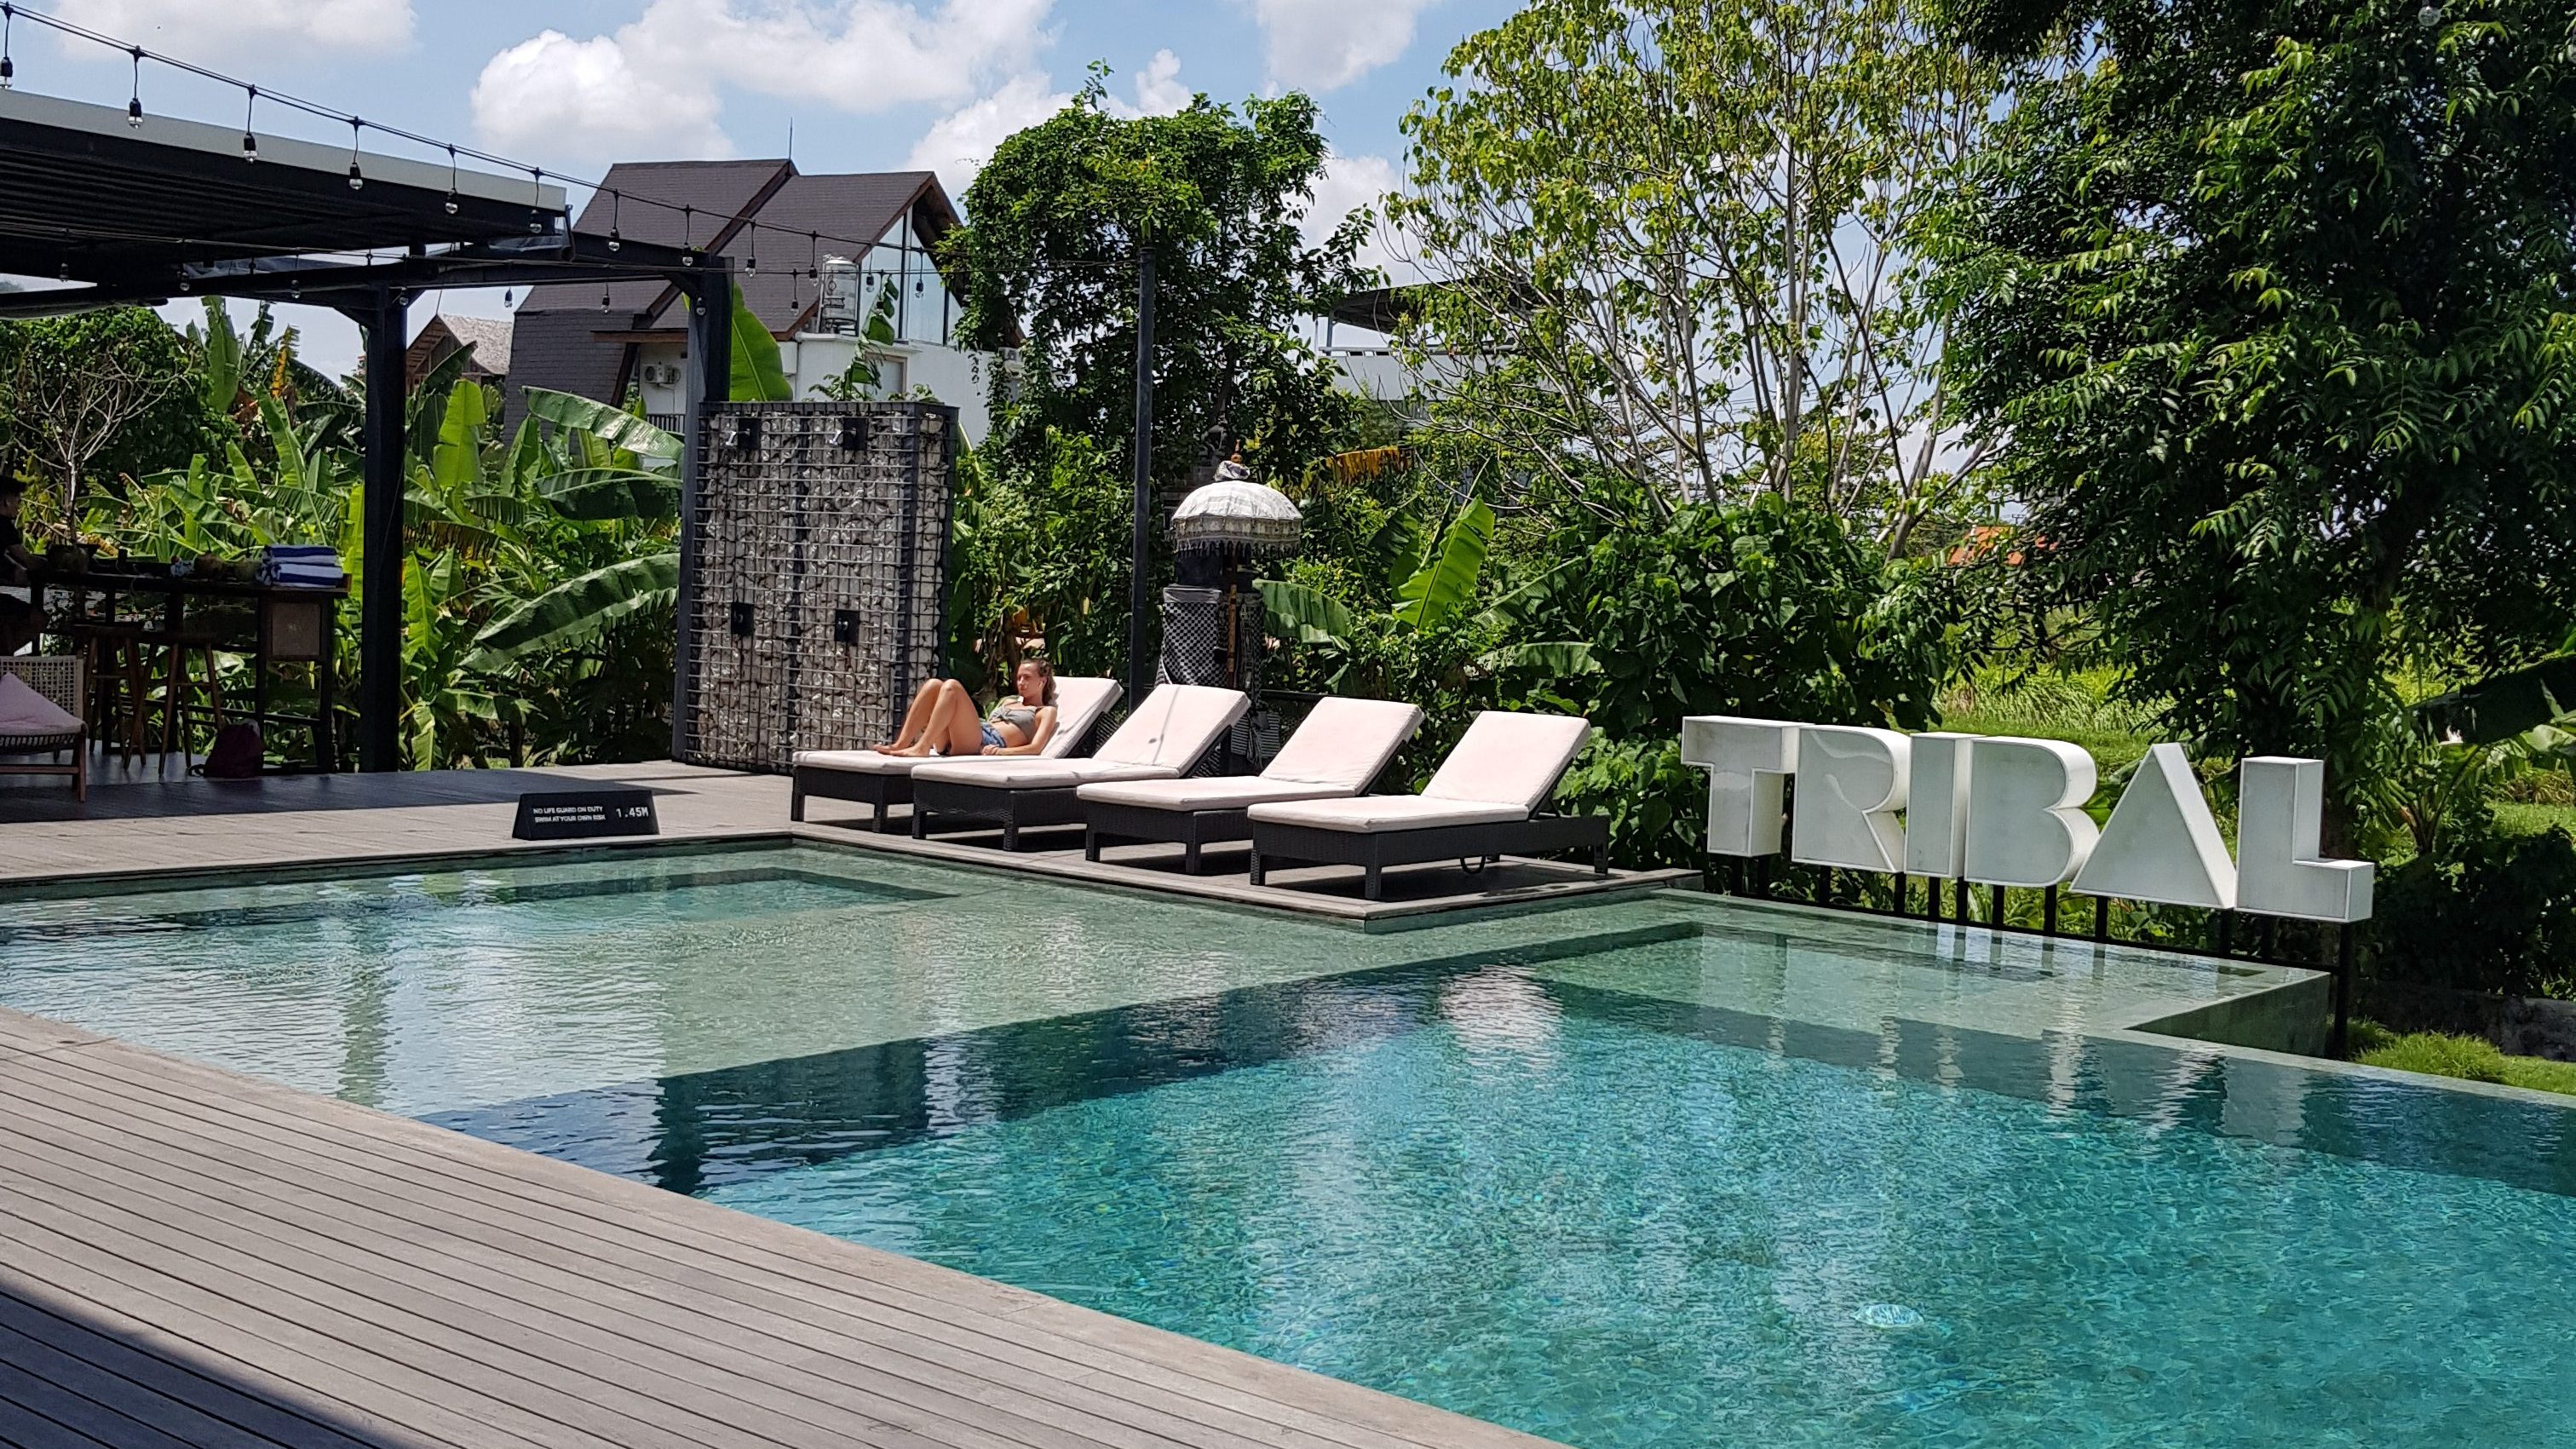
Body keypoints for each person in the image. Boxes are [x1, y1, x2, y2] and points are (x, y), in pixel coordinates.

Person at [877, 658, 1060, 757]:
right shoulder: (1008, 701)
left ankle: (922, 747)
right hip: (967, 735)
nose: (1020, 682)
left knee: (952, 687)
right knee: (933, 684)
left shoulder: (1045, 711)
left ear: (1042, 681)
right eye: (1019, 677)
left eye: (1027, 678)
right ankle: (901, 743)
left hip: (986, 742)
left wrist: (1002, 752)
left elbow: (1036, 747)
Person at [0, 482, 47, 656]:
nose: (19, 508)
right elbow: (27, 559)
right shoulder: (4, 526)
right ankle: (4, 655)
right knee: (38, 618)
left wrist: (12, 569)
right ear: (7, 502)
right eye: (18, 502)